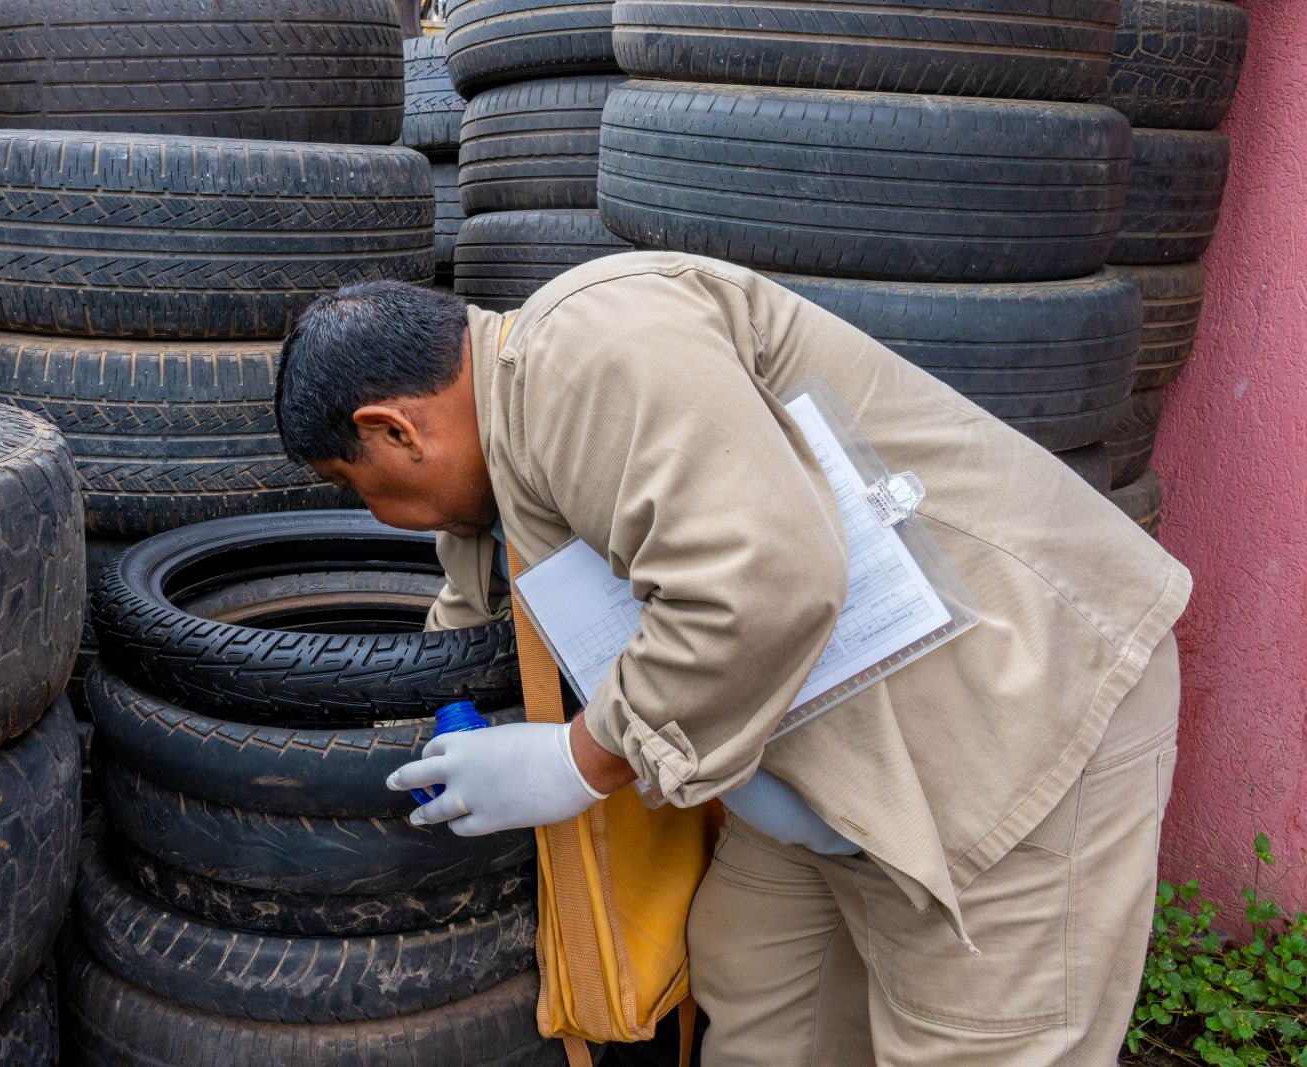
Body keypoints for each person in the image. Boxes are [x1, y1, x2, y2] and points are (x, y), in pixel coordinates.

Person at [273, 252, 1190, 1066]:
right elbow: (473, 614)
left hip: (1004, 719)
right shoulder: (507, 455)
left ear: (396, 429)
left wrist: (574, 762)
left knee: (974, 1036)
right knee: (757, 995)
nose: (381, 518)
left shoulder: (591, 346)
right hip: (826, 763)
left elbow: (765, 584)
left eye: (357, 488)